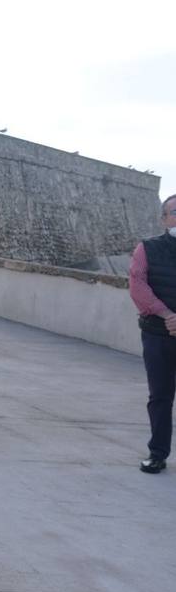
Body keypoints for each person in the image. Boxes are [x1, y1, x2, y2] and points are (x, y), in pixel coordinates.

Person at [129, 195, 176, 474]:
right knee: (160, 396)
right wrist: (168, 316)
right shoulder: (147, 248)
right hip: (158, 334)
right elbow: (138, 285)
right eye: (175, 212)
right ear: (164, 219)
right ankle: (157, 453)